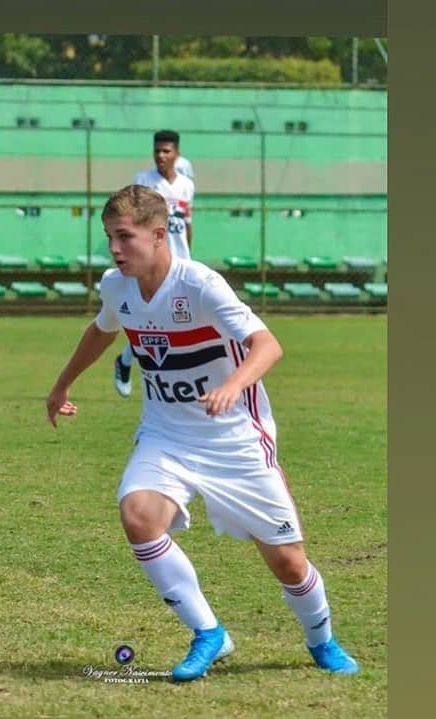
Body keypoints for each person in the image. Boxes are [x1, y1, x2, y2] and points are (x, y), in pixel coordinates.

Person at [46, 185, 359, 681]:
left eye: (124, 237)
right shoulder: (117, 286)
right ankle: (209, 632)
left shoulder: (200, 285)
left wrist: (234, 384)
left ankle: (322, 639)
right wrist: (62, 382)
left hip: (234, 440)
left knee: (288, 564)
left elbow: (267, 344)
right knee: (138, 514)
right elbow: (102, 330)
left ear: (157, 234)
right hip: (166, 434)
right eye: (109, 237)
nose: (114, 249)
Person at [114, 129, 194, 398]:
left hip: (180, 262)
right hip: (152, 263)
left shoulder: (186, 185)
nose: (161, 156)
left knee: (176, 321)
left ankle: (128, 361)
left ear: (177, 154)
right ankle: (129, 363)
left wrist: (187, 256)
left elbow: (186, 223)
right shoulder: (144, 181)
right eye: (157, 151)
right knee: (150, 318)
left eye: (167, 151)